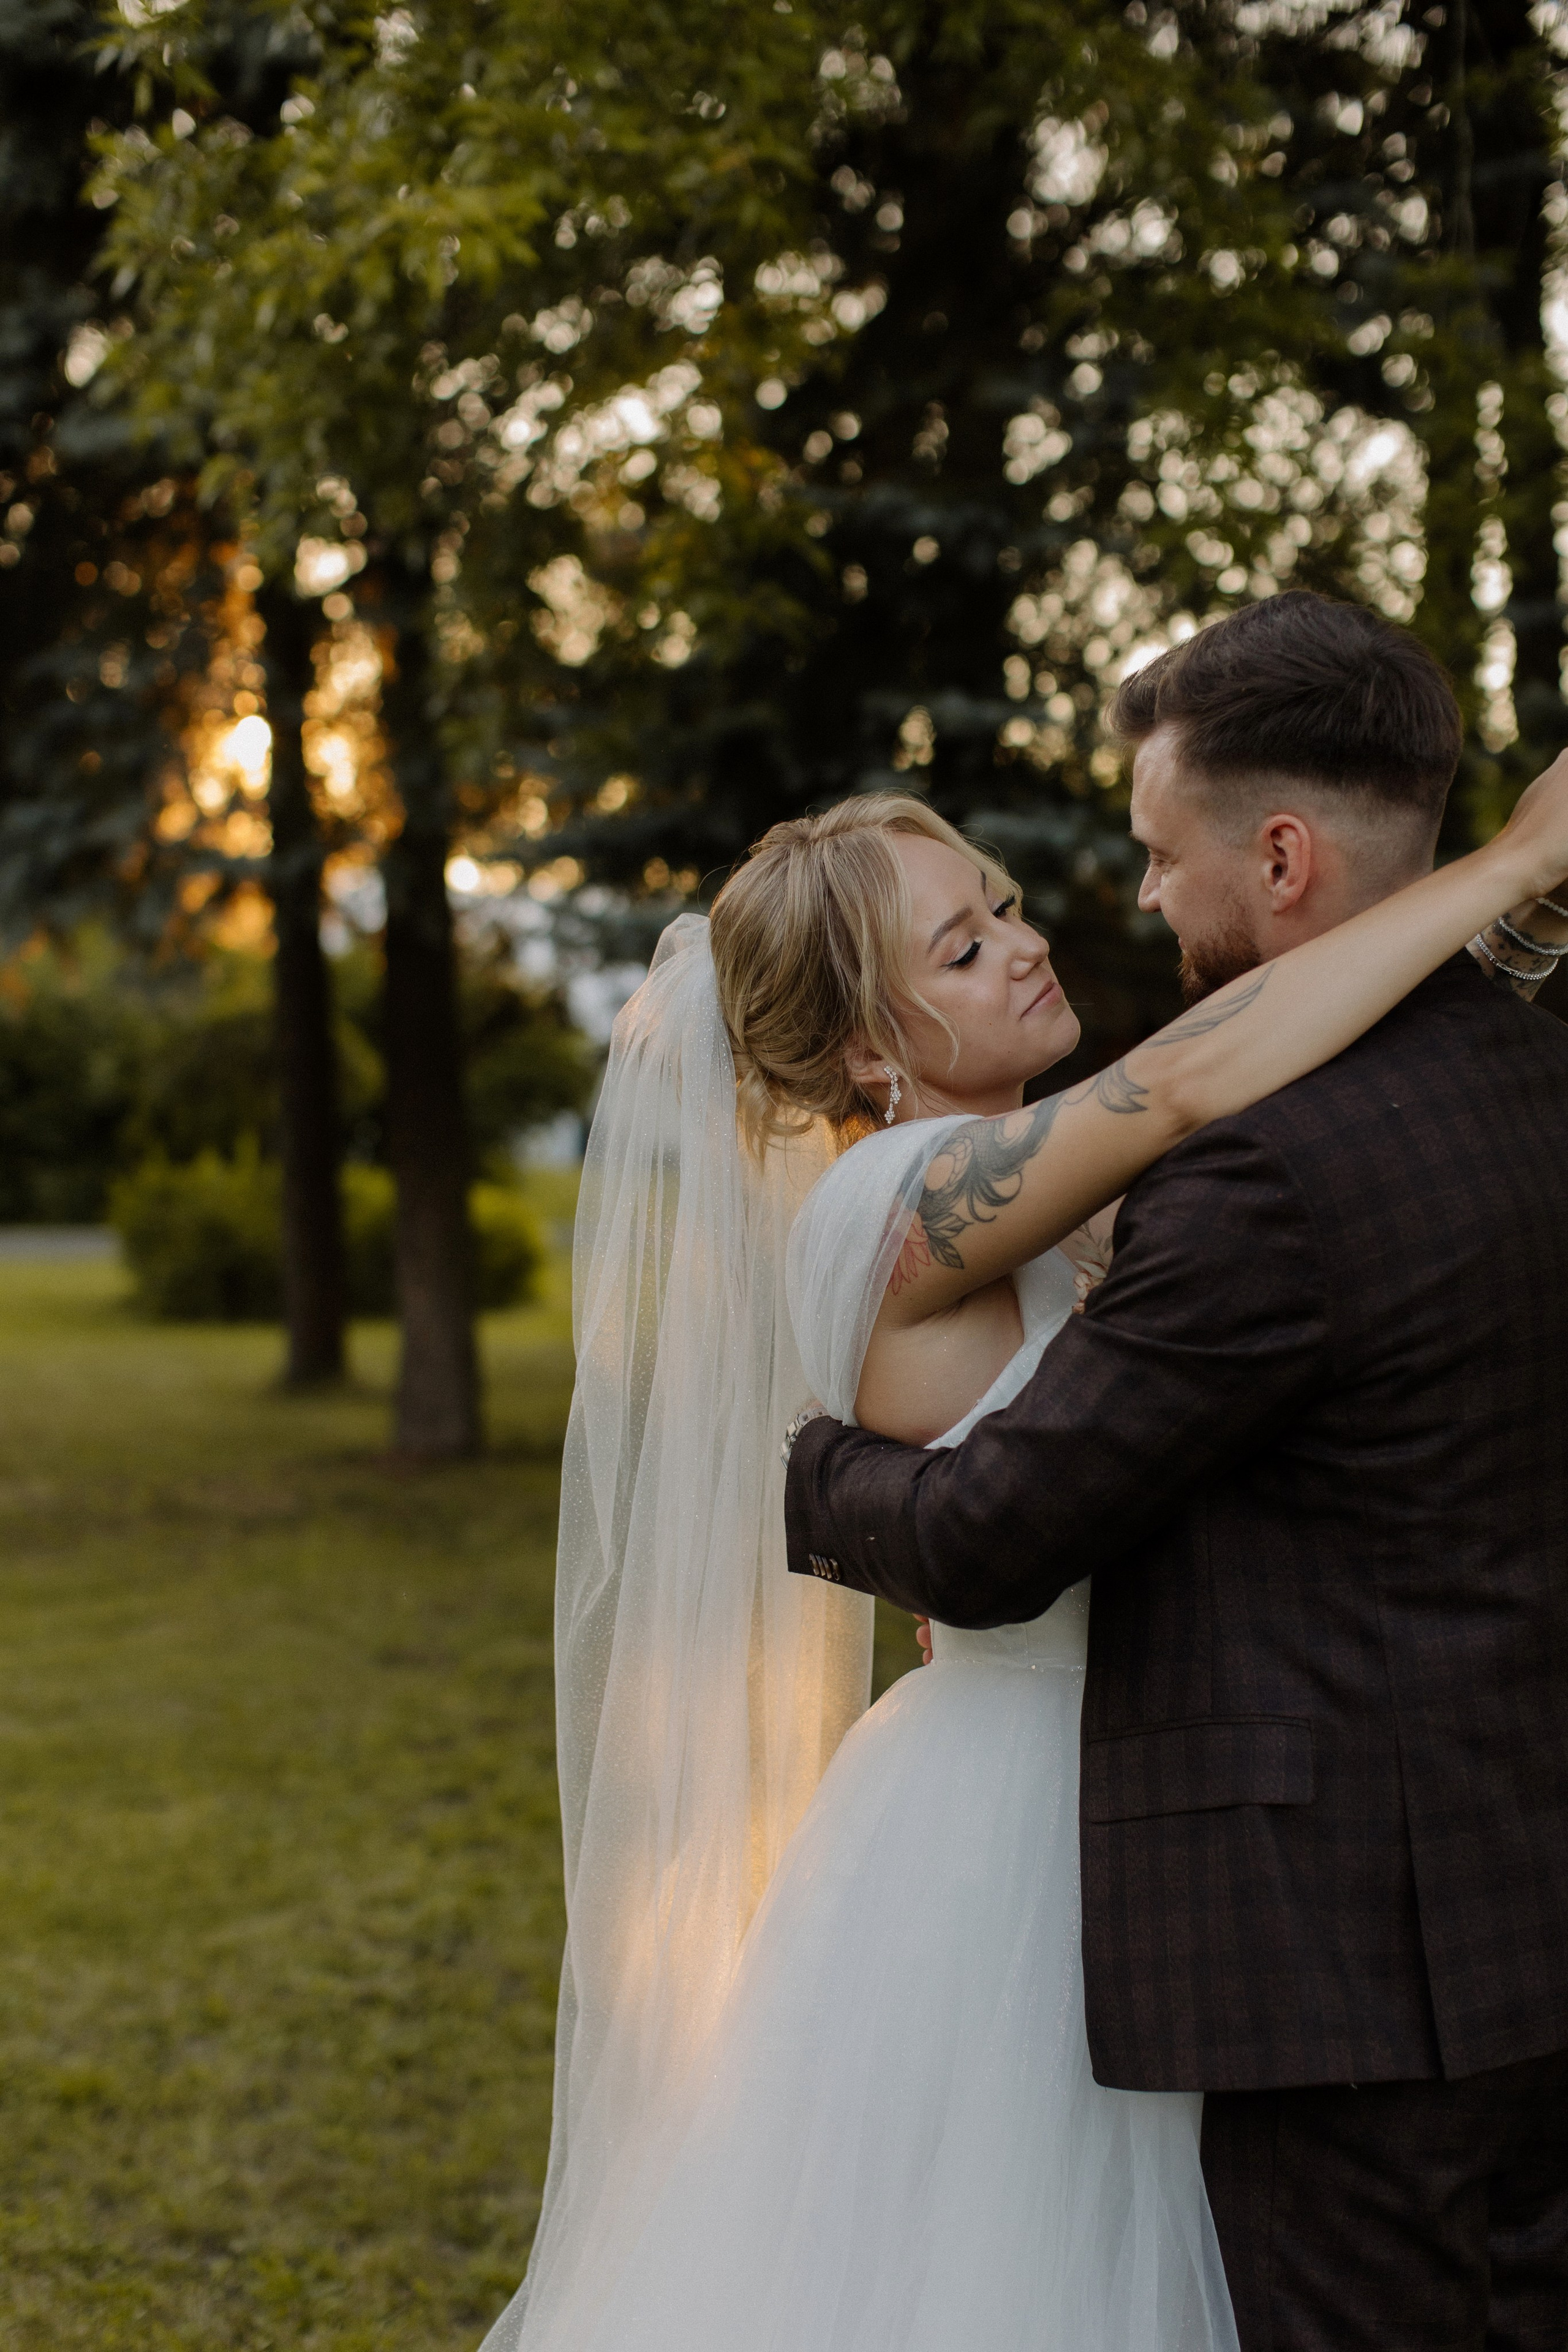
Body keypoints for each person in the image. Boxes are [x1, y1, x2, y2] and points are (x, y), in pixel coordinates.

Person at [480, 592, 1568, 2352]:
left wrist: (1493, 939)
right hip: (1024, 1827)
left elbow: (1284, 1127)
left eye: (999, 905)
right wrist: (1507, 868)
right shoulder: (903, 1200)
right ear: (867, 1048)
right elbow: (1204, 1081)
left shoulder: (1040, 1186)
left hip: (1172, 1812)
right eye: (963, 945)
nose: (1035, 940)